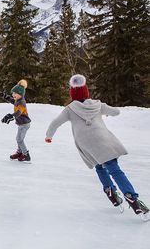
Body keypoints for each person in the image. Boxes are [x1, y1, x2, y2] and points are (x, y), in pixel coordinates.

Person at [45, 74, 149, 220]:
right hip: (102, 139)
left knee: (100, 166)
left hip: (86, 143)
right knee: (114, 169)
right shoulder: (97, 105)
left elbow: (55, 123)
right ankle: (132, 198)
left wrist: (49, 136)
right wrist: (105, 113)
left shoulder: (69, 109)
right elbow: (116, 112)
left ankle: (111, 192)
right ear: (86, 92)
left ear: (72, 94)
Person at [0, 79, 32, 162]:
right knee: (18, 138)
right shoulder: (17, 100)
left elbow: (18, 112)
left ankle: (26, 154)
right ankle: (19, 152)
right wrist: (5, 96)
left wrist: (11, 116)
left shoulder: (22, 103)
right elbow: (11, 100)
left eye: (14, 93)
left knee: (20, 139)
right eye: (13, 93)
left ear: (20, 94)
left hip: (25, 124)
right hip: (21, 124)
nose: (13, 94)